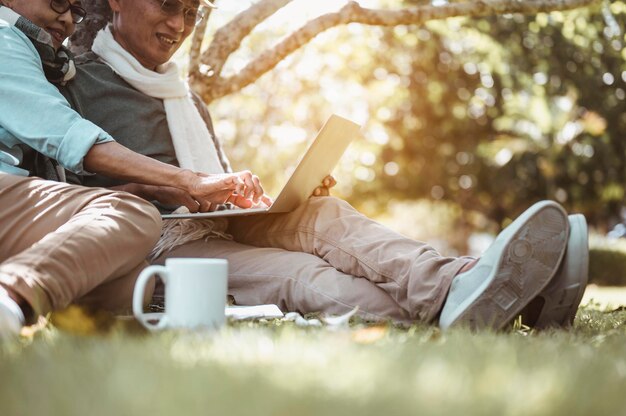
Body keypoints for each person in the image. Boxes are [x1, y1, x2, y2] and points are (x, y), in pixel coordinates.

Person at [60, 0, 589, 329]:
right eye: (167, 6)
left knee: (327, 215)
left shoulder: (186, 96)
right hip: (158, 244)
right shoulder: (77, 81)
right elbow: (60, 192)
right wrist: (169, 189)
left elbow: (212, 176)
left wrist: (279, 194)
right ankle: (520, 303)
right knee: (304, 274)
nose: (179, 25)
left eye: (192, 13)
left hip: (225, 224)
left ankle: (461, 283)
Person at [0, 0, 264, 339]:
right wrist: (189, 180)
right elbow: (70, 136)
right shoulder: (5, 38)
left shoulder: (42, 62)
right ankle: (12, 294)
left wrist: (144, 189)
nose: (66, 20)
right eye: (58, 2)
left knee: (131, 283)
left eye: (74, 12)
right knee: (133, 215)